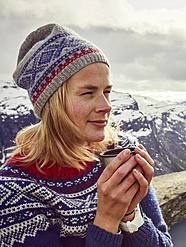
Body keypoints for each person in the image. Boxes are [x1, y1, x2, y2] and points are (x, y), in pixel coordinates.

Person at [0, 23, 173, 247]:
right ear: (53, 103)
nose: (106, 106)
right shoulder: (15, 189)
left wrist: (130, 216)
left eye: (107, 92)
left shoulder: (121, 152)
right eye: (88, 93)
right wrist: (107, 219)